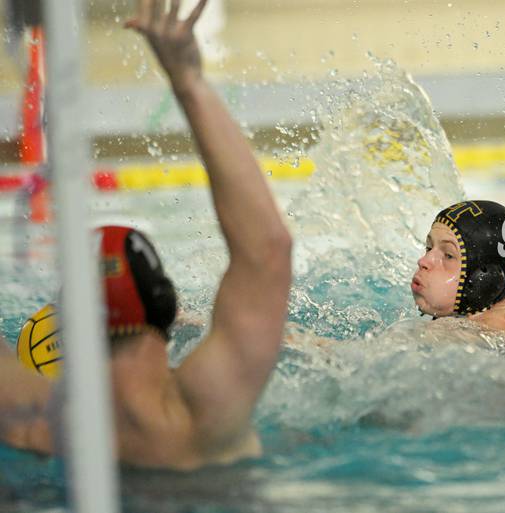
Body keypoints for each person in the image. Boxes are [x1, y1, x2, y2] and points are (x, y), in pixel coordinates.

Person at [0, 0, 292, 469]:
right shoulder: (203, 415)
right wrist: (188, 81)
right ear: (168, 304)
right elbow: (268, 248)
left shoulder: (34, 415)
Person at [412, 200, 505, 339]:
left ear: (484, 279)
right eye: (429, 248)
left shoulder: (468, 338)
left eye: (448, 255)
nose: (423, 261)